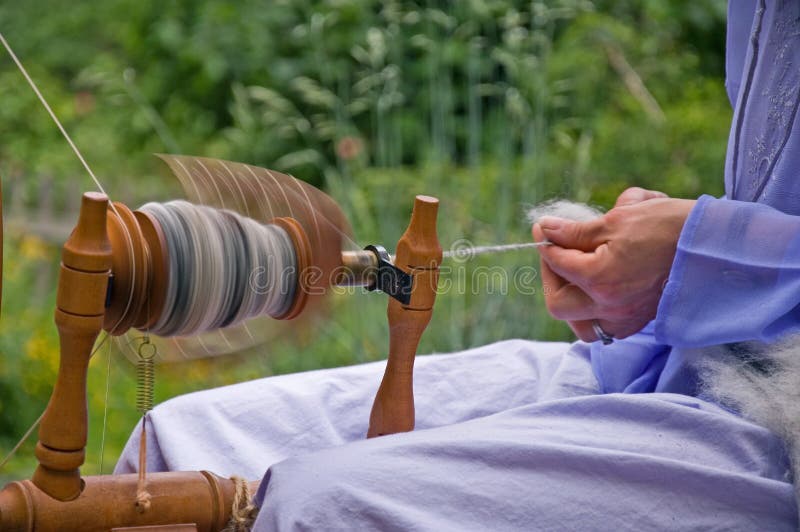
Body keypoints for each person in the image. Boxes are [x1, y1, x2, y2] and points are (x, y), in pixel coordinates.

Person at [116, 1, 798, 529]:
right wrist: (663, 264)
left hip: (777, 432)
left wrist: (713, 257)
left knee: (316, 507)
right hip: (681, 362)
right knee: (179, 439)